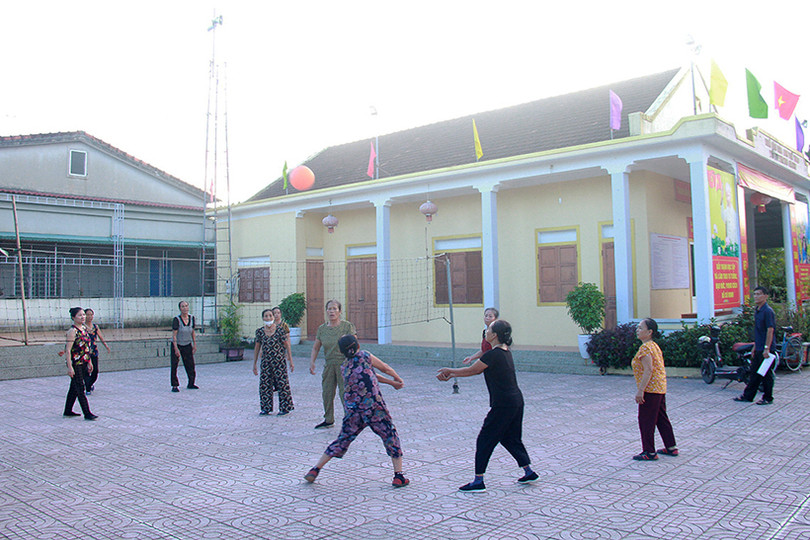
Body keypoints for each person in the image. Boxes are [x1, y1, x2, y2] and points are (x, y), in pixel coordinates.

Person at [437, 319, 538, 492]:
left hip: (504, 404)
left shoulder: (493, 354)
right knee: (509, 438)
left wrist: (450, 371)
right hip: (516, 401)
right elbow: (476, 370)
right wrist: (452, 374)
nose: (486, 332)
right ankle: (529, 471)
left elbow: (473, 370)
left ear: (495, 335)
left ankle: (478, 481)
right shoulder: (505, 352)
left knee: (484, 439)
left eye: (489, 329)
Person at [304, 334, 408, 487]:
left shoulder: (344, 366)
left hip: (353, 410)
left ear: (341, 352)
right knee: (390, 435)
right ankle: (398, 476)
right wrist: (397, 379)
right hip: (374, 408)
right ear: (358, 345)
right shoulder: (365, 355)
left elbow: (371, 374)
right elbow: (384, 368)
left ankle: (315, 469)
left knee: (343, 439)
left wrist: (391, 384)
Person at [631, 318, 677, 461]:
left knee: (646, 420)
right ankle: (671, 447)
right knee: (661, 418)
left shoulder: (646, 348)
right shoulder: (654, 346)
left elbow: (648, 370)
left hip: (651, 389)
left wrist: (641, 390)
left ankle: (649, 452)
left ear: (649, 332)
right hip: (659, 387)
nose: (637, 330)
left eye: (641, 328)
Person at [309, 300, 356, 429]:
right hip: (329, 364)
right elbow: (316, 347)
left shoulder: (347, 326)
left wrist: (355, 363)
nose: (332, 311)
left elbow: (355, 345)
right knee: (327, 393)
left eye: (334, 309)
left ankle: (350, 420)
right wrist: (312, 362)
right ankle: (328, 419)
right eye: (329, 309)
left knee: (344, 393)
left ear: (340, 311)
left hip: (344, 364)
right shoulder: (322, 329)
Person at [735, 286, 776, 405]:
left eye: (759, 294)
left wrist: (767, 348)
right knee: (754, 373)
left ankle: (768, 398)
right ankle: (748, 396)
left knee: (766, 374)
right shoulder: (757, 310)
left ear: (765, 296)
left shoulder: (768, 311)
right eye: (755, 294)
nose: (756, 296)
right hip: (759, 347)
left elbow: (770, 330)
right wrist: (755, 346)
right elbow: (759, 331)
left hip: (766, 348)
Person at [252, 308, 294, 416]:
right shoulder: (260, 332)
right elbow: (257, 347)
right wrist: (254, 363)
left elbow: (287, 345)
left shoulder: (280, 330)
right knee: (265, 384)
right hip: (266, 362)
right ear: (263, 318)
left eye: (270, 316)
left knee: (282, 383)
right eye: (266, 316)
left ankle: (285, 408)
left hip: (279, 361)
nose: (268, 318)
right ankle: (266, 408)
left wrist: (290, 360)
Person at [59, 307, 98, 420]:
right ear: (73, 318)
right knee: (80, 388)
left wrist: (89, 362)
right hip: (76, 363)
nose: (83, 317)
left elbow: (86, 347)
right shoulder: (72, 331)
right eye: (80, 315)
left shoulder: (84, 329)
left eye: (83, 315)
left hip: (84, 361)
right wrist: (70, 368)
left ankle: (68, 411)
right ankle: (87, 413)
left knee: (74, 387)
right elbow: (68, 350)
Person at [171, 300, 198, 392]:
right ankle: (175, 385)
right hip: (177, 344)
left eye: (186, 306)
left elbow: (193, 332)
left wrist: (194, 344)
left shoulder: (192, 318)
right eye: (183, 306)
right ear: (180, 308)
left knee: (190, 364)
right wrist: (176, 348)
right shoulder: (176, 320)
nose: (185, 308)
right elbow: (174, 335)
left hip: (187, 344)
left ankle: (191, 383)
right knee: (174, 365)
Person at [83, 308, 111, 395]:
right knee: (86, 370)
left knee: (95, 371)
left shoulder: (95, 327)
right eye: (88, 314)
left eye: (91, 314)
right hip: (84, 351)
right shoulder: (82, 327)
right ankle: (88, 388)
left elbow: (101, 337)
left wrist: (106, 346)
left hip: (94, 351)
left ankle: (89, 384)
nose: (90, 316)